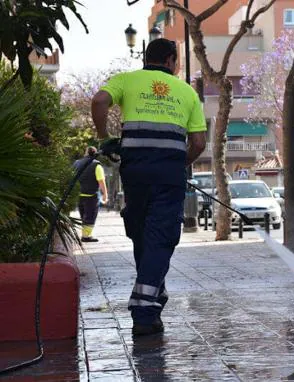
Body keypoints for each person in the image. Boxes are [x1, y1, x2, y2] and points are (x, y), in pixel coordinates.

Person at [91, 39, 207, 336]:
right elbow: (198, 143)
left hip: (136, 172)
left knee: (141, 230)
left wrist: (105, 138)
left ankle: (155, 292)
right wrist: (180, 164)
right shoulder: (187, 92)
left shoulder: (127, 81)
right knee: (161, 236)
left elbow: (99, 101)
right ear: (170, 60)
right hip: (168, 176)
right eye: (177, 61)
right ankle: (144, 310)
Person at [74, 146, 108, 242]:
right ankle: (86, 236)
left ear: (86, 153)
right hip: (91, 196)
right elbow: (101, 181)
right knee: (90, 216)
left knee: (83, 215)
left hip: (79, 195)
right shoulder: (97, 166)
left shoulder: (77, 163)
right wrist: (105, 194)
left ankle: (85, 234)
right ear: (95, 154)